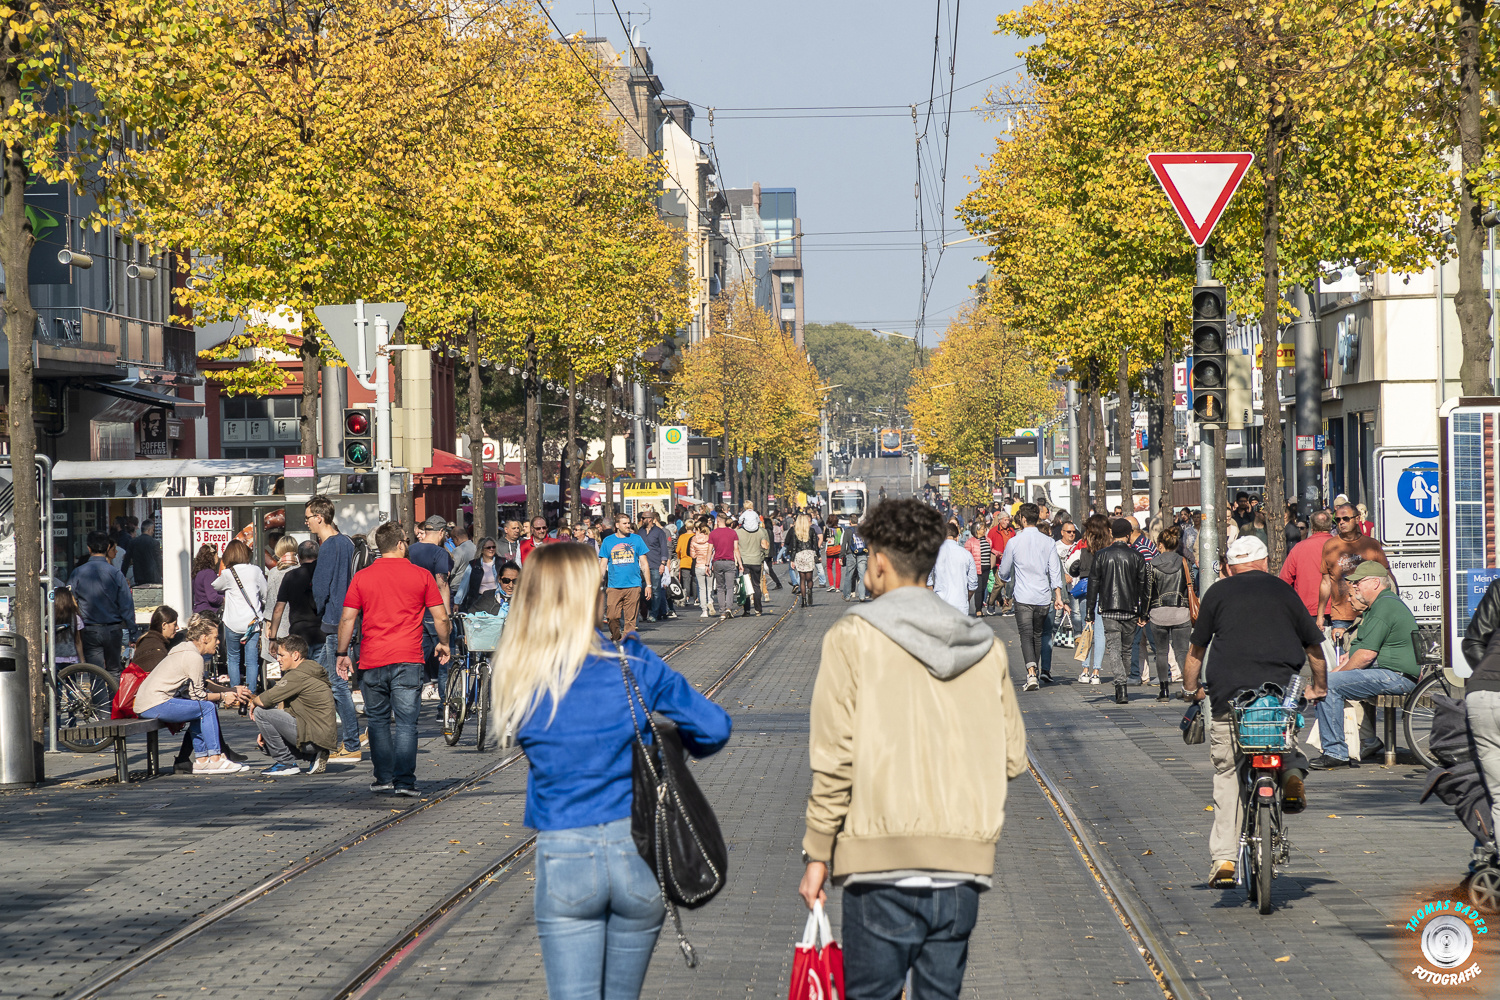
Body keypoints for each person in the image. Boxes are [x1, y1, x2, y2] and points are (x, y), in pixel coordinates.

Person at [799, 498, 1026, 1000]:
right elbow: (1013, 757)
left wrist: (818, 852)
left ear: (878, 560)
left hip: (880, 865)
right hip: (962, 868)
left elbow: (835, 761)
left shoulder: (851, 638)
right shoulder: (986, 646)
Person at [492, 543, 731, 997]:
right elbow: (715, 727)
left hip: (564, 855)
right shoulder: (633, 664)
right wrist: (670, 748)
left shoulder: (518, 673)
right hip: (636, 849)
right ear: (592, 594)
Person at [1181, 534, 1328, 887]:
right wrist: (1319, 686)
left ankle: (1225, 859)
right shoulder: (1283, 591)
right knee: (1281, 736)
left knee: (1228, 772)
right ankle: (1291, 772)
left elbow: (1196, 651)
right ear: (1265, 562)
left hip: (1227, 696)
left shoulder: (1217, 593)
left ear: (1231, 567)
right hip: (1278, 692)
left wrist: (1191, 689)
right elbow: (1314, 649)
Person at [336, 521, 450, 797]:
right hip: (409, 658)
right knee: (407, 723)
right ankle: (405, 781)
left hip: (372, 659)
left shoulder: (362, 577)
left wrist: (341, 654)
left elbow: (347, 618)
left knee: (377, 721)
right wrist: (444, 643)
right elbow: (441, 616)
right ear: (400, 544)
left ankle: (384, 777)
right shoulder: (421, 575)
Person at [1308, 562, 1420, 769]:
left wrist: (1336, 675)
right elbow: (1363, 648)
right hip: (1390, 672)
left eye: (1359, 582)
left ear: (1376, 582)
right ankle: (1358, 743)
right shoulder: (1380, 605)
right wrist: (1342, 665)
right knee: (1330, 680)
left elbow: (1366, 656)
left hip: (1396, 676)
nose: (1355, 586)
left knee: (1329, 685)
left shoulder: (1385, 605)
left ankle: (1335, 752)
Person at [132, 614, 245, 774]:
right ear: (204, 638)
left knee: (199, 709)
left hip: (148, 703)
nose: (218, 641)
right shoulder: (193, 657)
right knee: (207, 708)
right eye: (215, 638)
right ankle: (215, 758)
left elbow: (199, 689)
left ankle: (202, 760)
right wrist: (223, 697)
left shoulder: (185, 650)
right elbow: (199, 696)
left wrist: (228, 691)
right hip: (154, 703)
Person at [306, 494, 364, 761]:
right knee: (324, 678)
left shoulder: (328, 545)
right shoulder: (348, 542)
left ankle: (351, 742)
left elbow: (320, 586)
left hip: (333, 620)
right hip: (350, 617)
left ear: (320, 517)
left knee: (338, 684)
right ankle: (345, 736)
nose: (307, 523)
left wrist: (320, 609)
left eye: (308, 518)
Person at [236, 634, 338, 776]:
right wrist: (269, 730)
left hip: (313, 737)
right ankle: (313, 756)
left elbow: (265, 700)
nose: (278, 659)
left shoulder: (298, 675)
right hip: (319, 737)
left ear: (295, 655)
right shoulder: (308, 671)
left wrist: (253, 701)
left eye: (281, 655)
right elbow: (282, 707)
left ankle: (285, 763)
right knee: (267, 744)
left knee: (261, 712)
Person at [996, 503, 1066, 690]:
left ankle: (1031, 674)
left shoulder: (1014, 542)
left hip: (1023, 596)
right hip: (1043, 596)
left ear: (1023, 519)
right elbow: (1055, 570)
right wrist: (1058, 595)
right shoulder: (1048, 542)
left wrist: (1005, 579)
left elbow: (1004, 571)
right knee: (1037, 635)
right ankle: (1034, 670)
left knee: (1026, 635)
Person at [1086, 519, 1149, 705]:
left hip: (1108, 608)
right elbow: (1144, 586)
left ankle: (1120, 685)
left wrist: (1089, 611)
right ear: (1129, 534)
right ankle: (1124, 680)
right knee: (1127, 648)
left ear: (1112, 534)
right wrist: (1143, 612)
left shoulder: (1101, 555)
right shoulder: (1136, 556)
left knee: (1113, 647)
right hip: (1130, 609)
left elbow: (1093, 584)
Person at [1461, 576, 1500, 854]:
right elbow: (1474, 639)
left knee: (1497, 791)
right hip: (1487, 689)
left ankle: (1487, 858)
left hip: (1482, 692)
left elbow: (1475, 639)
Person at [70, 530, 137, 680]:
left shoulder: (77, 573)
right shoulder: (115, 573)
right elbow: (127, 604)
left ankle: (100, 704)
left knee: (96, 673)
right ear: (108, 548)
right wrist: (133, 631)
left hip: (90, 629)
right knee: (114, 671)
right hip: (113, 629)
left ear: (88, 548)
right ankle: (114, 703)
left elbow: (70, 600)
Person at [1319, 503, 1390, 636]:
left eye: (1346, 518)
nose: (1341, 523)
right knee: (1342, 656)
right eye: (1338, 520)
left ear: (1357, 519)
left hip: (1370, 613)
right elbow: (1325, 582)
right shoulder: (1330, 545)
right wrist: (1320, 614)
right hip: (1341, 616)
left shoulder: (1372, 545)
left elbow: (1387, 577)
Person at [409, 514, 455, 705]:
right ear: (442, 532)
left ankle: (412, 707)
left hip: (414, 614)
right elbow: (441, 585)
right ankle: (445, 709)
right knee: (445, 661)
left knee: (417, 663)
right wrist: (447, 615)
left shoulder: (410, 550)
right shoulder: (440, 553)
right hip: (434, 614)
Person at [212, 539, 268, 693]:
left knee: (233, 658)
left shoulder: (228, 574)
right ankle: (250, 693)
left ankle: (236, 693)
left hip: (232, 623)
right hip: (252, 623)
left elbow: (215, 586)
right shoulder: (255, 571)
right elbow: (265, 593)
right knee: (251, 660)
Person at [1146, 525, 1194, 702]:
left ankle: (1164, 690)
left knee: (1161, 652)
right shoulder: (1184, 563)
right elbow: (1192, 586)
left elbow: (1148, 592)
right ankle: (1188, 688)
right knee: (1182, 651)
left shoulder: (1152, 565)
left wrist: (1144, 614)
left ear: (1160, 544)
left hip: (1158, 613)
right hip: (1181, 612)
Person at [598, 513, 653, 639]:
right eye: (625, 523)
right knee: (611, 616)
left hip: (633, 585)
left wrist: (648, 585)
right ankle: (616, 634)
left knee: (630, 620)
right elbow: (603, 565)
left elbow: (644, 564)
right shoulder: (608, 541)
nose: (628, 526)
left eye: (629, 523)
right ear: (617, 525)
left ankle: (627, 644)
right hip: (614, 585)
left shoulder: (636, 539)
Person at [268, 540, 324, 657]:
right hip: (321, 632)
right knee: (319, 673)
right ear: (318, 555)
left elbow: (279, 608)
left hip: (299, 633)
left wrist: (273, 637)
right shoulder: (323, 574)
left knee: (300, 673)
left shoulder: (291, 576)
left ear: (299, 557)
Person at [262, 536, 300, 663]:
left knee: (279, 662)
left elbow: (271, 602)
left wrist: (269, 625)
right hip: (297, 623)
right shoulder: (302, 570)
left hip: (279, 625)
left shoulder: (274, 572)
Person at [928, 521, 977, 615]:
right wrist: (967, 598)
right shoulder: (966, 554)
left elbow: (927, 578)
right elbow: (973, 583)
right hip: (960, 604)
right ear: (957, 537)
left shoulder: (934, 554)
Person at [638, 509, 674, 623]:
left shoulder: (659, 532)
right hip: (642, 566)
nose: (641, 520)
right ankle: (650, 609)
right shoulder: (640, 531)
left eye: (643, 518)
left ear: (649, 519)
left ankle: (654, 614)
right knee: (642, 590)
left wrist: (663, 564)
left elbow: (664, 549)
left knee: (656, 590)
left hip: (655, 564)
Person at [707, 512, 742, 620]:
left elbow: (709, 550)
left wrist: (707, 564)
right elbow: (736, 549)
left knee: (720, 587)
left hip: (717, 562)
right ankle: (729, 608)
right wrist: (740, 564)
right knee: (730, 587)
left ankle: (722, 612)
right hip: (730, 561)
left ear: (717, 520)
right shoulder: (733, 533)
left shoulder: (713, 534)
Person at [735, 509, 770, 616]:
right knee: (756, 585)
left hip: (743, 561)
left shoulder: (738, 532)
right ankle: (758, 609)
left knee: (745, 586)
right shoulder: (760, 531)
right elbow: (765, 546)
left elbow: (735, 547)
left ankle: (746, 610)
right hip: (756, 561)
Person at [130, 606, 181, 672]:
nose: (177, 628)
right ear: (164, 625)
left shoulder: (147, 640)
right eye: (175, 624)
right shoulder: (156, 651)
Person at [459, 537, 503, 613]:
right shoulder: (474, 564)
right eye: (488, 547)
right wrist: (457, 602)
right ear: (482, 550)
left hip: (497, 599)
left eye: (493, 547)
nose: (491, 549)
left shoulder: (502, 562)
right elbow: (464, 585)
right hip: (479, 600)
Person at [788, 512, 820, 607]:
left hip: (799, 555)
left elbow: (794, 547)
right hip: (809, 554)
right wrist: (817, 555)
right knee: (809, 578)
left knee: (802, 579)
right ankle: (809, 590)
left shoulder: (795, 531)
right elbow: (815, 546)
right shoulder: (811, 531)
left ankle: (804, 601)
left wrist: (792, 560)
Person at [121, 517, 162, 586]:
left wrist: (122, 575)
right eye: (153, 530)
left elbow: (126, 561)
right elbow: (158, 561)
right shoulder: (155, 543)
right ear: (149, 530)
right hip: (153, 578)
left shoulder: (133, 542)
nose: (153, 532)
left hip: (139, 577)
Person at [54, 587, 83, 668]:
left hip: (54, 657)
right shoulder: (76, 618)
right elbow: (78, 641)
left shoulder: (49, 618)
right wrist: (82, 660)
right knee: (70, 680)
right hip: (71, 658)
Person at [191, 544, 223, 615]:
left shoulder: (197, 573)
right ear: (212, 557)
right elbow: (212, 597)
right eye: (216, 555)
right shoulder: (209, 573)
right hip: (209, 614)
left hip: (198, 611)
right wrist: (224, 599)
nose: (218, 557)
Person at [449, 523, 477, 606]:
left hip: (457, 589)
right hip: (471, 588)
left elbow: (452, 570)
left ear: (456, 538)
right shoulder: (475, 548)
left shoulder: (458, 551)